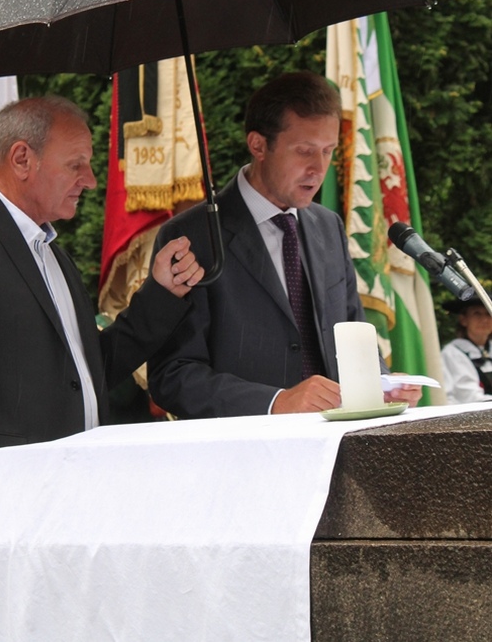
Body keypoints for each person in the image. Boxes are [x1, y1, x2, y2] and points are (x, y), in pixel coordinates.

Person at [0, 95, 204, 562]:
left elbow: (89, 371)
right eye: (76, 164)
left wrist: (160, 294)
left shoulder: (53, 255)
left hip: (67, 512)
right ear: (22, 158)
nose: (91, 180)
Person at [147, 71, 421, 419]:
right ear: (258, 145)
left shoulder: (329, 227)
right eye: (304, 151)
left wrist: (381, 385)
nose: (318, 168)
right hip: (245, 446)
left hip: (334, 443)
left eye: (328, 151)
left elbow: (354, 338)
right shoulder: (192, 236)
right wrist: (275, 402)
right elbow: (172, 376)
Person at [441, 296, 492, 404]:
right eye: (477, 314)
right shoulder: (452, 353)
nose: (484, 320)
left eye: (488, 314)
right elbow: (468, 395)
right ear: (463, 320)